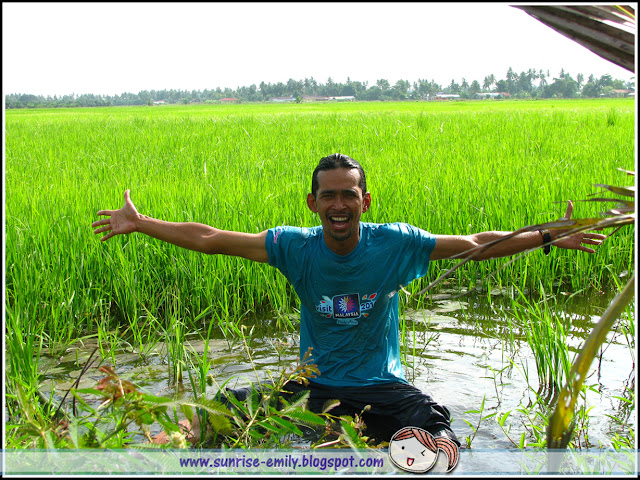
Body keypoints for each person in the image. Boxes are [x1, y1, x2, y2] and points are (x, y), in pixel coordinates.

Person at [92, 153, 605, 445]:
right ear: (314, 203)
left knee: (436, 434)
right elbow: (211, 237)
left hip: (382, 388)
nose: (339, 205)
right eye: (329, 196)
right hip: (313, 386)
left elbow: (474, 245)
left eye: (349, 195)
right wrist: (140, 223)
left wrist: (545, 235)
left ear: (364, 201)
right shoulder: (295, 247)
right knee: (209, 418)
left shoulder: (396, 243)